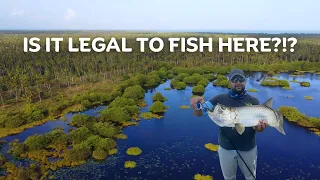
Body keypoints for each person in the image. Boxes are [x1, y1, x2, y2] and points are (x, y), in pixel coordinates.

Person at [190, 68, 268, 180]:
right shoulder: (219, 99)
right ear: (230, 82)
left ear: (245, 81)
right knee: (229, 178)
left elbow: (258, 129)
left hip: (249, 148)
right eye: (234, 80)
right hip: (226, 148)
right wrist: (195, 106)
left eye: (240, 79)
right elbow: (200, 112)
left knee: (251, 177)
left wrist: (261, 128)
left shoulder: (254, 101)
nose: (238, 83)